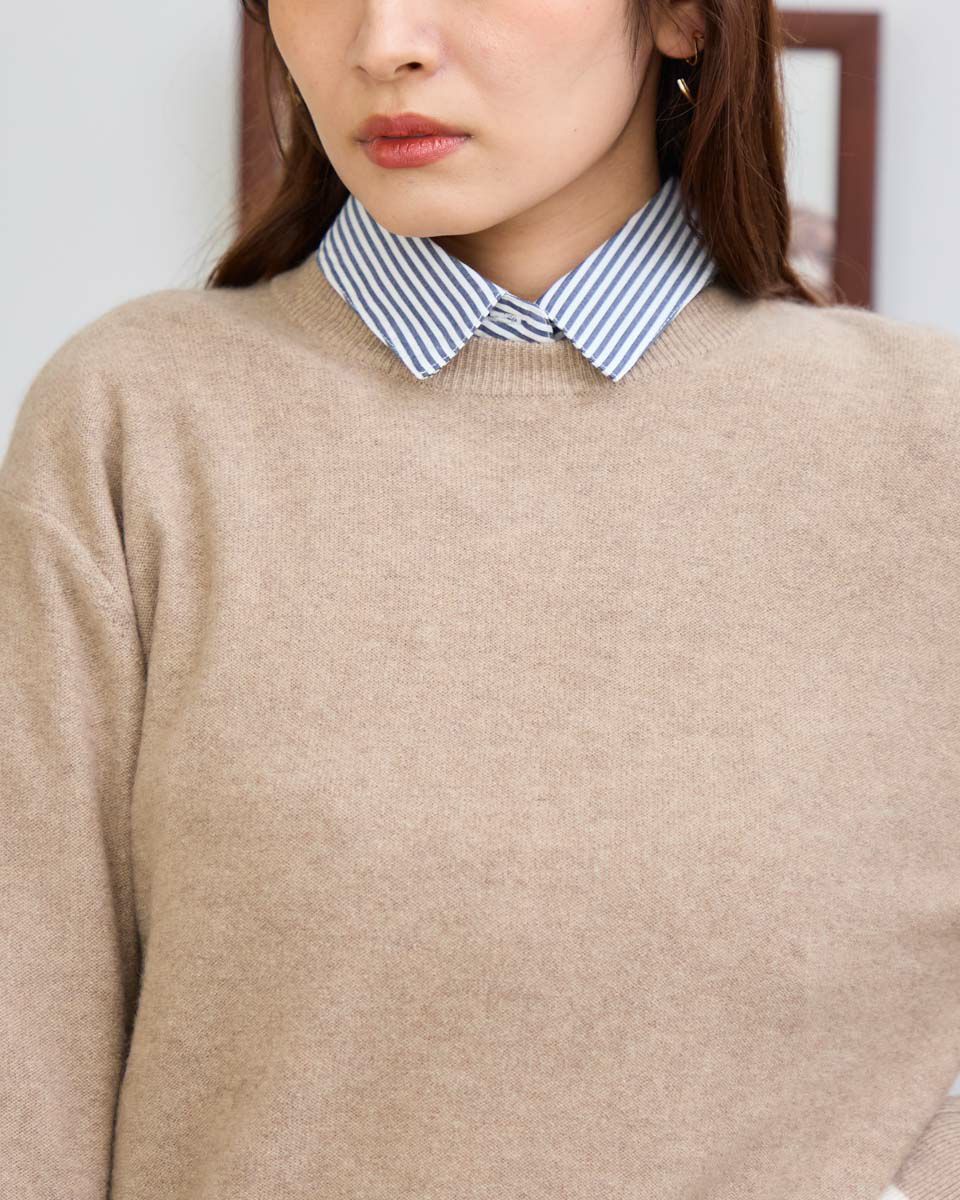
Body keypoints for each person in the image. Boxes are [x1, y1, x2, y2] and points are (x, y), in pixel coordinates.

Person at [2, 0, 959, 1197]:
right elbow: (26, 1062)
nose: (384, 41)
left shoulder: (927, 449)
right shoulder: (135, 422)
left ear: (679, 16)